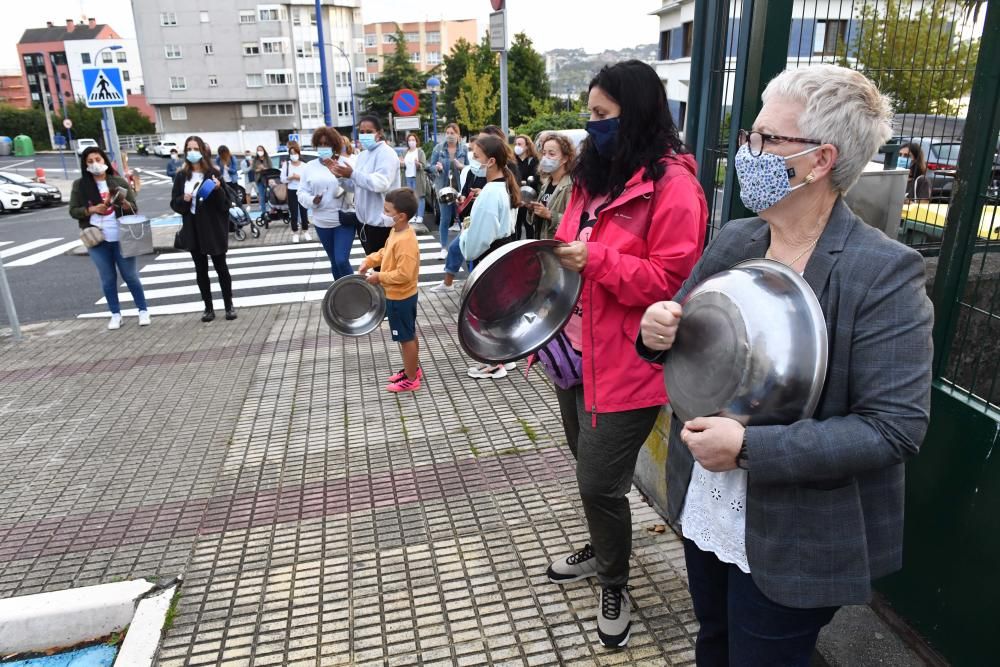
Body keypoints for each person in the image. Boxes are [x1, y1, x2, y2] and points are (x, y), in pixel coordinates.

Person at [637, 65, 934, 665]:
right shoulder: (737, 240)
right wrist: (656, 331)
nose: (751, 150)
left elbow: (894, 428)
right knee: (714, 642)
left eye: (769, 140)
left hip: (797, 531)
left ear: (820, 160)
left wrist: (748, 449)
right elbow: (684, 338)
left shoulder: (883, 273)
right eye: (753, 135)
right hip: (707, 499)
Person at [541, 60, 708, 649]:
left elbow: (674, 280)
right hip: (574, 355)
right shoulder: (593, 174)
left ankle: (614, 578)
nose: (592, 126)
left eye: (602, 116)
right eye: (589, 115)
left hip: (630, 364)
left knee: (598, 482)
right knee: (589, 469)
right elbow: (566, 253)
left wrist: (599, 262)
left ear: (635, 113)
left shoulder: (674, 185)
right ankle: (603, 547)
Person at [69, 147, 149, 330]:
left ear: (104, 160)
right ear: (85, 165)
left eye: (97, 159)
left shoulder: (118, 181)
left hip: (122, 236)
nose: (95, 164)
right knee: (107, 278)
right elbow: (73, 210)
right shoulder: (80, 185)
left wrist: (124, 203)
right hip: (97, 238)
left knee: (130, 276)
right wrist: (91, 210)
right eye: (90, 161)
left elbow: (134, 208)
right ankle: (115, 314)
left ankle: (143, 310)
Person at [359, 188, 423, 393]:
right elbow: (386, 252)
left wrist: (380, 277)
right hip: (399, 295)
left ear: (401, 215)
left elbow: (404, 274)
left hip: (401, 296)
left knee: (405, 338)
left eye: (387, 211)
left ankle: (411, 379)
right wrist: (369, 260)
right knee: (409, 334)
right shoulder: (397, 231)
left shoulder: (406, 241)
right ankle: (412, 369)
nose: (384, 214)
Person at [171, 135, 237, 322]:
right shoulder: (182, 176)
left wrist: (218, 190)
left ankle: (229, 305)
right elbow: (174, 203)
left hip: (213, 228)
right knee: (201, 270)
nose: (192, 152)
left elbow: (225, 204)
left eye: (195, 148)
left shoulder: (213, 173)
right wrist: (182, 200)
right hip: (193, 228)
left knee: (221, 267)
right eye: (189, 149)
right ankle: (208, 307)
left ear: (202, 151)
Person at [331, 116, 400, 256]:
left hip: (382, 224)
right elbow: (356, 186)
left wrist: (352, 174)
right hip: (364, 223)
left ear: (379, 133)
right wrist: (341, 177)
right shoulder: (362, 155)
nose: (364, 135)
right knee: (375, 267)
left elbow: (381, 183)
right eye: (361, 132)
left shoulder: (387, 153)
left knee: (384, 269)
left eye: (369, 131)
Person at [298, 128, 353, 279]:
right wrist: (312, 200)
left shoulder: (345, 163)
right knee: (334, 262)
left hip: (344, 219)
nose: (323, 147)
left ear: (334, 145)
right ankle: (340, 298)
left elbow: (356, 186)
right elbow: (301, 193)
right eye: (320, 144)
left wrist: (344, 181)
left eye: (327, 144)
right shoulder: (309, 167)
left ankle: (356, 291)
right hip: (321, 221)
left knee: (341, 260)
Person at [427, 123, 468, 256]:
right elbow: (429, 166)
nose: (449, 136)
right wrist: (436, 168)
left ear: (458, 135)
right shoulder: (438, 148)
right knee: (445, 218)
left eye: (452, 133)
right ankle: (443, 247)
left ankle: (463, 245)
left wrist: (461, 166)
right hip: (443, 188)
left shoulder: (463, 149)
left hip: (459, 188)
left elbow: (469, 168)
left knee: (462, 218)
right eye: (448, 133)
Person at [527, 134, 576, 239]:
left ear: (565, 159)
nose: (545, 158)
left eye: (551, 154)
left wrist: (549, 215)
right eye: (544, 153)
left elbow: (574, 222)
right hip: (543, 244)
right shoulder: (546, 184)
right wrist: (532, 209)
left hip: (558, 248)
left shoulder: (571, 186)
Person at [281, 140, 312, 243]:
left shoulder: (304, 165)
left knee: (304, 211)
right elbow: (282, 179)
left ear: (299, 153)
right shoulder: (287, 165)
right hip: (291, 190)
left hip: (302, 191)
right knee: (293, 212)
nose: (294, 155)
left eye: (295, 153)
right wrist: (290, 177)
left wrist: (298, 177)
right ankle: (295, 232)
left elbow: (308, 179)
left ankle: (305, 230)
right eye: (292, 153)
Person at [513, 134, 540, 239]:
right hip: (515, 196)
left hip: (529, 197)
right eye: (516, 144)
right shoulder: (513, 161)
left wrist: (525, 182)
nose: (517, 146)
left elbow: (535, 177)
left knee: (529, 225)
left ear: (527, 146)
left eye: (520, 144)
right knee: (516, 225)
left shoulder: (533, 160)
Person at [399, 132, 428, 230]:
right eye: (409, 140)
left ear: (416, 141)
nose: (411, 142)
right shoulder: (404, 152)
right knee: (409, 198)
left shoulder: (420, 152)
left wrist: (418, 164)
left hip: (417, 177)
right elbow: (401, 166)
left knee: (420, 196)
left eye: (413, 140)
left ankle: (420, 216)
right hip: (407, 177)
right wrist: (402, 164)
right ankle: (412, 215)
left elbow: (423, 166)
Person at [251, 145, 270, 216]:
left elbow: (271, 168)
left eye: (261, 150)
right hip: (259, 179)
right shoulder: (255, 160)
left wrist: (264, 168)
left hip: (267, 179)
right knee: (261, 196)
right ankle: (263, 212)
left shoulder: (267, 158)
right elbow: (253, 169)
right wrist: (259, 169)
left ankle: (271, 210)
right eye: (258, 150)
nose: (260, 151)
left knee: (269, 195)